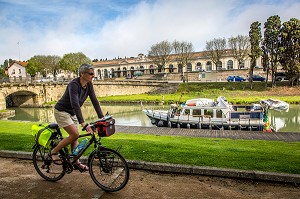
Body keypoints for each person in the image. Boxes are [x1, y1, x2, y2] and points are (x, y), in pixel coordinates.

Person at [49, 63, 104, 171]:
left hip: (72, 112)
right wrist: (83, 123)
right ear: (82, 74)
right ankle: (54, 152)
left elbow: (95, 101)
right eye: (91, 74)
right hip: (62, 111)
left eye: (93, 74)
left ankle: (75, 162)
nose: (93, 76)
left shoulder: (89, 85)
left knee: (75, 138)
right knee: (75, 134)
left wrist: (102, 118)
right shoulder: (73, 85)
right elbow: (75, 104)